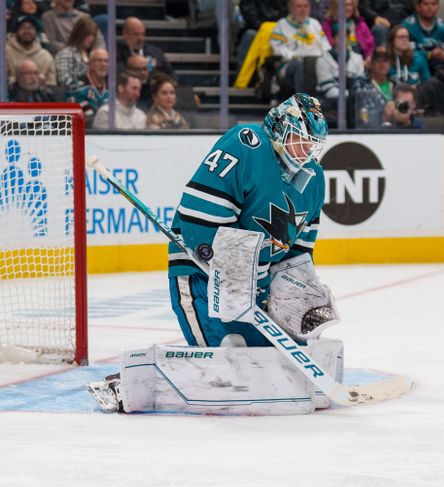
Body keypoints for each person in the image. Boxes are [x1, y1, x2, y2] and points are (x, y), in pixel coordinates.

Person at [87, 94, 343, 416]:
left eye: (312, 145)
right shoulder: (246, 144)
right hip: (201, 279)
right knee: (229, 364)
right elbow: (199, 220)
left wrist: (294, 288)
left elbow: (299, 252)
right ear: (280, 128)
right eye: (299, 141)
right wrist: (227, 266)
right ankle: (135, 381)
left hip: (256, 289)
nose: (305, 152)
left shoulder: (314, 180)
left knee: (274, 370)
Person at [270, 0, 330, 96]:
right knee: (300, 65)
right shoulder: (281, 24)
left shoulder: (314, 24)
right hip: (289, 64)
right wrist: (293, 56)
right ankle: (303, 102)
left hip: (314, 62)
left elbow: (325, 46)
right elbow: (277, 48)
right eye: (299, 6)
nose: (303, 10)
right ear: (290, 8)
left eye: (306, 6)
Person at [402, 0, 444, 73]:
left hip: (440, 65)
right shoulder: (408, 25)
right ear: (418, 7)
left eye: (433, 4)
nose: (430, 7)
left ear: (438, 6)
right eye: (425, 4)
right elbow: (409, 53)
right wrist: (429, 54)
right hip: (415, 66)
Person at [6, 15, 56, 86]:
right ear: (15, 31)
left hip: (39, 95)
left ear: (36, 32)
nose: (27, 31)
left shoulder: (46, 56)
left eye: (30, 28)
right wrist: (21, 79)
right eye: (22, 28)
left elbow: (52, 84)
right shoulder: (5, 52)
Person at [65, 48, 109, 126]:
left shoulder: (112, 86)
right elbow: (84, 117)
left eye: (106, 61)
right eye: (99, 60)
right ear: (90, 63)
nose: (103, 64)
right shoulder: (77, 85)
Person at [42, 0, 106, 53]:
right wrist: (75, 50)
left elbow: (98, 40)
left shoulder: (84, 16)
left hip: (88, 56)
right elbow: (51, 43)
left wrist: (97, 54)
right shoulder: (48, 17)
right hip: (64, 56)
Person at [54, 16, 98, 88]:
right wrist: (85, 87)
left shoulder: (92, 54)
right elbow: (64, 80)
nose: (92, 38)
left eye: (93, 35)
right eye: (88, 34)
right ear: (79, 33)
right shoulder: (66, 53)